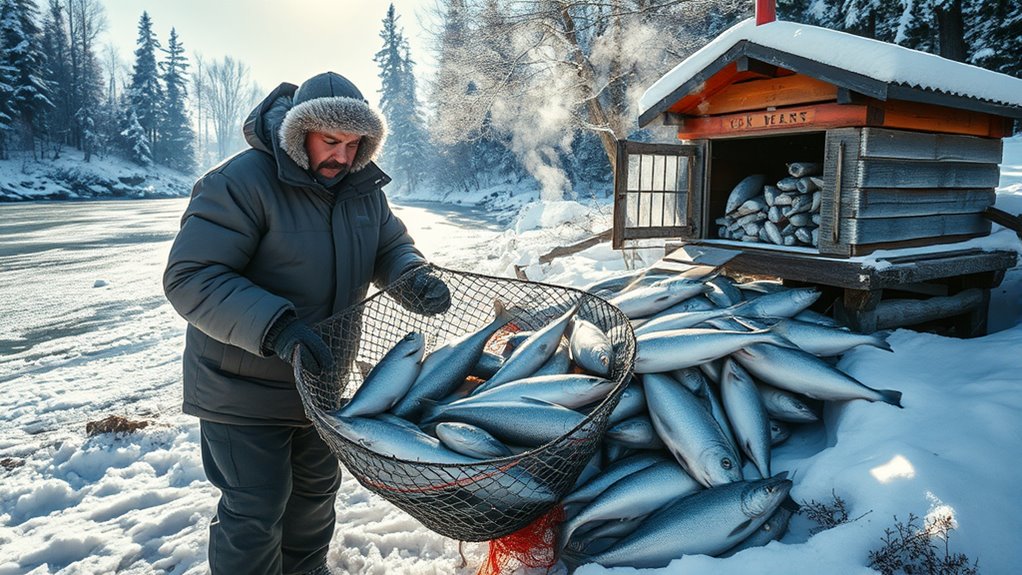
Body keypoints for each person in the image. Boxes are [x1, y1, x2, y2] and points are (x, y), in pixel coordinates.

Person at [163, 71, 451, 575]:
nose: (342, 156)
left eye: (354, 142)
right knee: (256, 508)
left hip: (320, 383)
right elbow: (191, 277)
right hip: (241, 387)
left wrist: (412, 276)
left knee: (316, 496)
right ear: (300, 133)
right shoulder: (240, 182)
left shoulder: (364, 188)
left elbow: (391, 246)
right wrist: (275, 328)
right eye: (331, 141)